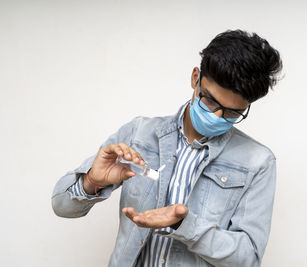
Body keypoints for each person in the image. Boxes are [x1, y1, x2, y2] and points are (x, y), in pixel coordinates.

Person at [52, 29, 282, 267]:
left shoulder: (258, 162)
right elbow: (61, 206)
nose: (217, 115)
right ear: (195, 78)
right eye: (210, 100)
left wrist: (185, 225)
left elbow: (248, 258)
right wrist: (92, 181)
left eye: (232, 112)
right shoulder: (138, 133)